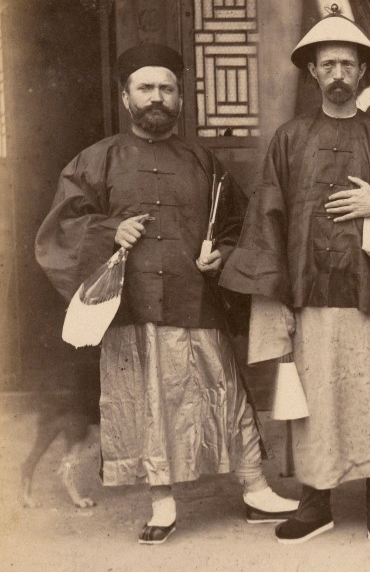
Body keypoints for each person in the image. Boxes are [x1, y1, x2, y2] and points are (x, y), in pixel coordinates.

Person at [35, 43, 298, 545]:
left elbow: (239, 225)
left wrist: (222, 254)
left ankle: (257, 489)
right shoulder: (95, 160)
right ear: (126, 96)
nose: (156, 97)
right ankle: (162, 502)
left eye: (166, 88)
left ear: (180, 97)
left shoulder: (204, 161)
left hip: (195, 301)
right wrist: (110, 230)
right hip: (131, 306)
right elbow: (61, 228)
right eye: (145, 88)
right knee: (146, 402)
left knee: (224, 394)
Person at [218, 13, 370, 545]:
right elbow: (268, 215)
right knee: (313, 399)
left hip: (368, 288)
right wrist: (275, 291)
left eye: (348, 64)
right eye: (328, 65)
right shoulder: (290, 138)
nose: (339, 74)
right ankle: (315, 501)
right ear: (313, 73)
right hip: (308, 290)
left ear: (364, 70)